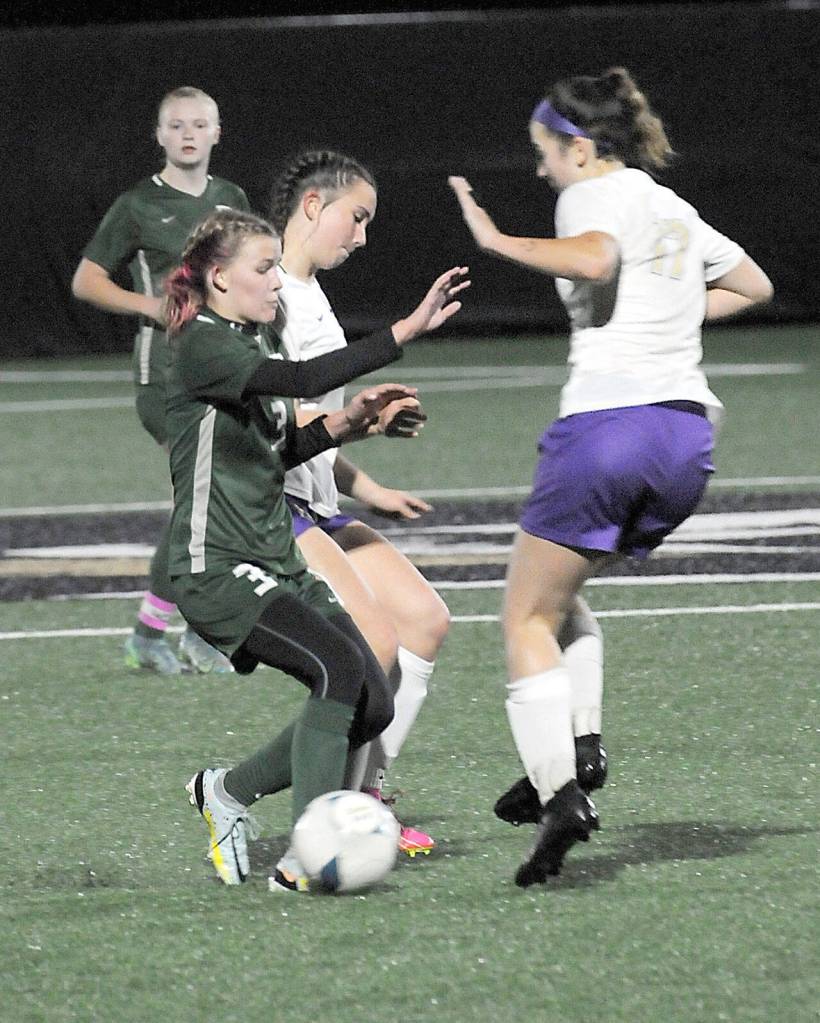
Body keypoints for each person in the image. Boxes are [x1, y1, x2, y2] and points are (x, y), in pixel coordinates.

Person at [449, 66, 772, 886]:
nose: (541, 170)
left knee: (522, 617)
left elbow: (594, 259)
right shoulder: (672, 206)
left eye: (544, 154)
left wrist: (498, 242)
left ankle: (561, 795)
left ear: (581, 147)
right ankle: (578, 749)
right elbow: (752, 285)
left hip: (610, 428)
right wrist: (665, 310)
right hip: (685, 442)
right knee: (563, 603)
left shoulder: (590, 195)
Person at [162, 207, 468, 889]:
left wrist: (353, 423)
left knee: (372, 698)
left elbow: (282, 445)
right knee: (336, 665)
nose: (276, 281)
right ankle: (307, 861)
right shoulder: (203, 343)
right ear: (218, 277)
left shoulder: (246, 343)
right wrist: (403, 332)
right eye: (263, 268)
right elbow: (301, 381)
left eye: (277, 266)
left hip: (273, 558)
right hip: (216, 565)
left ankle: (228, 789)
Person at [269, 150, 452, 857]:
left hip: (319, 504)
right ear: (312, 205)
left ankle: (365, 794)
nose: (363, 236)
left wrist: (368, 483)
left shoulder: (311, 292)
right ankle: (309, 815)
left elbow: (316, 417)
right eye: (357, 217)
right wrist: (357, 413)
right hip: (274, 504)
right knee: (370, 644)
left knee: (425, 623)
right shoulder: (270, 292)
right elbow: (280, 417)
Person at [72, 85, 248, 675]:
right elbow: (87, 281)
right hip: (165, 378)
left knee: (213, 503)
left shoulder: (231, 200)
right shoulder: (137, 205)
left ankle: (169, 632)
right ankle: (168, 634)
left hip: (221, 372)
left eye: (199, 124)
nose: (188, 134)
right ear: (160, 135)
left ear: (217, 133)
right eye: (176, 125)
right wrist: (150, 307)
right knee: (199, 502)